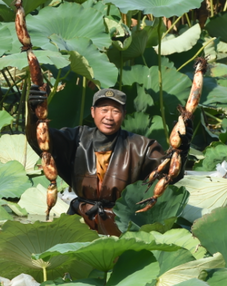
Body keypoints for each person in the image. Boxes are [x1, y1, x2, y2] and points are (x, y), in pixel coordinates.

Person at [26, 86, 191, 235]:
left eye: (115, 111)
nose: (109, 117)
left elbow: (170, 176)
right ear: (93, 112)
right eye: (104, 110)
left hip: (120, 223)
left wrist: (182, 149)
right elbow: (39, 141)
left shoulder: (142, 146)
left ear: (124, 115)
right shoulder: (75, 138)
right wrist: (34, 112)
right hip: (79, 219)